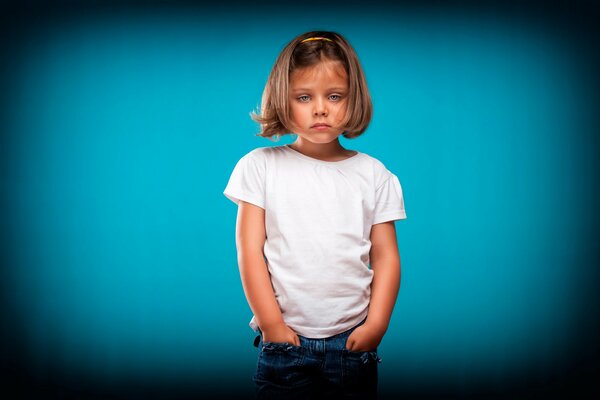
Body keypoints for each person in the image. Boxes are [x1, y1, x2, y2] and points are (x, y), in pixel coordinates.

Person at [223, 30, 407, 400]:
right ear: (282, 99)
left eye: (334, 96)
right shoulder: (259, 167)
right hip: (284, 342)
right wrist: (273, 324)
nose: (320, 108)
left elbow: (385, 256)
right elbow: (249, 251)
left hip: (351, 342)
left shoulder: (374, 175)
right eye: (304, 97)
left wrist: (377, 325)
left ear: (352, 100)